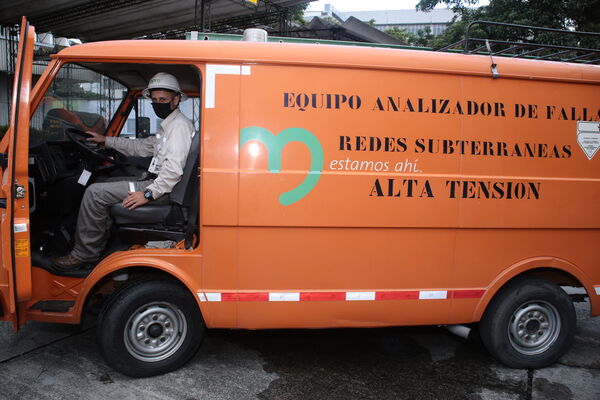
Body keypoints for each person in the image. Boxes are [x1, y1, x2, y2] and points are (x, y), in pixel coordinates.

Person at [53, 72, 195, 271]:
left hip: (162, 190)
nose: (157, 104)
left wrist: (147, 194)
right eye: (154, 100)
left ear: (176, 99)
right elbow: (143, 147)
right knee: (102, 180)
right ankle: (101, 242)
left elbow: (172, 171)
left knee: (94, 193)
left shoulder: (178, 127)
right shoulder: (169, 126)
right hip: (158, 182)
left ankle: (84, 254)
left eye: (163, 99)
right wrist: (106, 141)